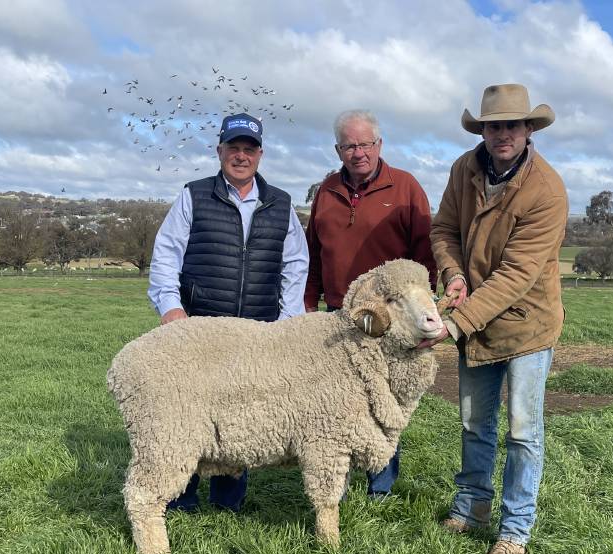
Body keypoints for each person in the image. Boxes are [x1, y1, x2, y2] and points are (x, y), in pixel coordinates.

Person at [428, 84, 568, 554]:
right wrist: (454, 274)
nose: (502, 134)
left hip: (527, 325)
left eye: (512, 125)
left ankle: (514, 531)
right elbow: (443, 229)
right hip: (477, 322)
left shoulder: (546, 190)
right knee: (473, 422)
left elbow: (515, 276)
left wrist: (455, 323)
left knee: (524, 431)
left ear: (529, 130)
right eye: (493, 125)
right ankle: (472, 505)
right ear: (482, 130)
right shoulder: (463, 169)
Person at [147, 112, 309, 512]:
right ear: (219, 151)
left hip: (256, 331)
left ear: (260, 154)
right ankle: (180, 498)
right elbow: (166, 256)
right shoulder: (194, 195)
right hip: (198, 330)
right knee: (188, 413)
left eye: (248, 149)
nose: (241, 156)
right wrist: (171, 310)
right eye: (233, 148)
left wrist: (286, 323)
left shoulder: (281, 204)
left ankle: (228, 502)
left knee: (242, 415)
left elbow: (295, 264)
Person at [304, 109, 437, 499]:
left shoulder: (407, 188)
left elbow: (424, 257)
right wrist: (309, 299)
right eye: (349, 145)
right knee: (336, 402)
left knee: (386, 398)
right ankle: (336, 481)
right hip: (339, 316)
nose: (358, 152)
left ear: (379, 144)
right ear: (338, 149)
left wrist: (420, 311)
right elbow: (315, 252)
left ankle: (381, 484)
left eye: (365, 144)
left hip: (390, 320)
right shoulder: (326, 191)